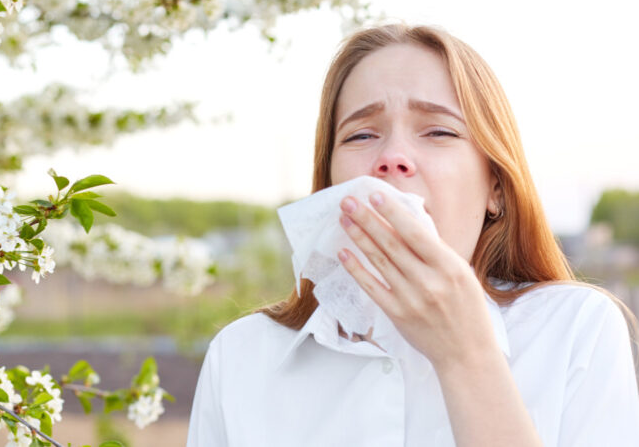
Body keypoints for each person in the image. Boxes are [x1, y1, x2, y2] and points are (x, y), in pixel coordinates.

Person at [185, 22, 639, 447]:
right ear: (329, 185)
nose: (393, 157)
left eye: (439, 131)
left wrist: (466, 356)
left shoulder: (578, 329)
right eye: (361, 135)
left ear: (495, 188)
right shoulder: (240, 356)